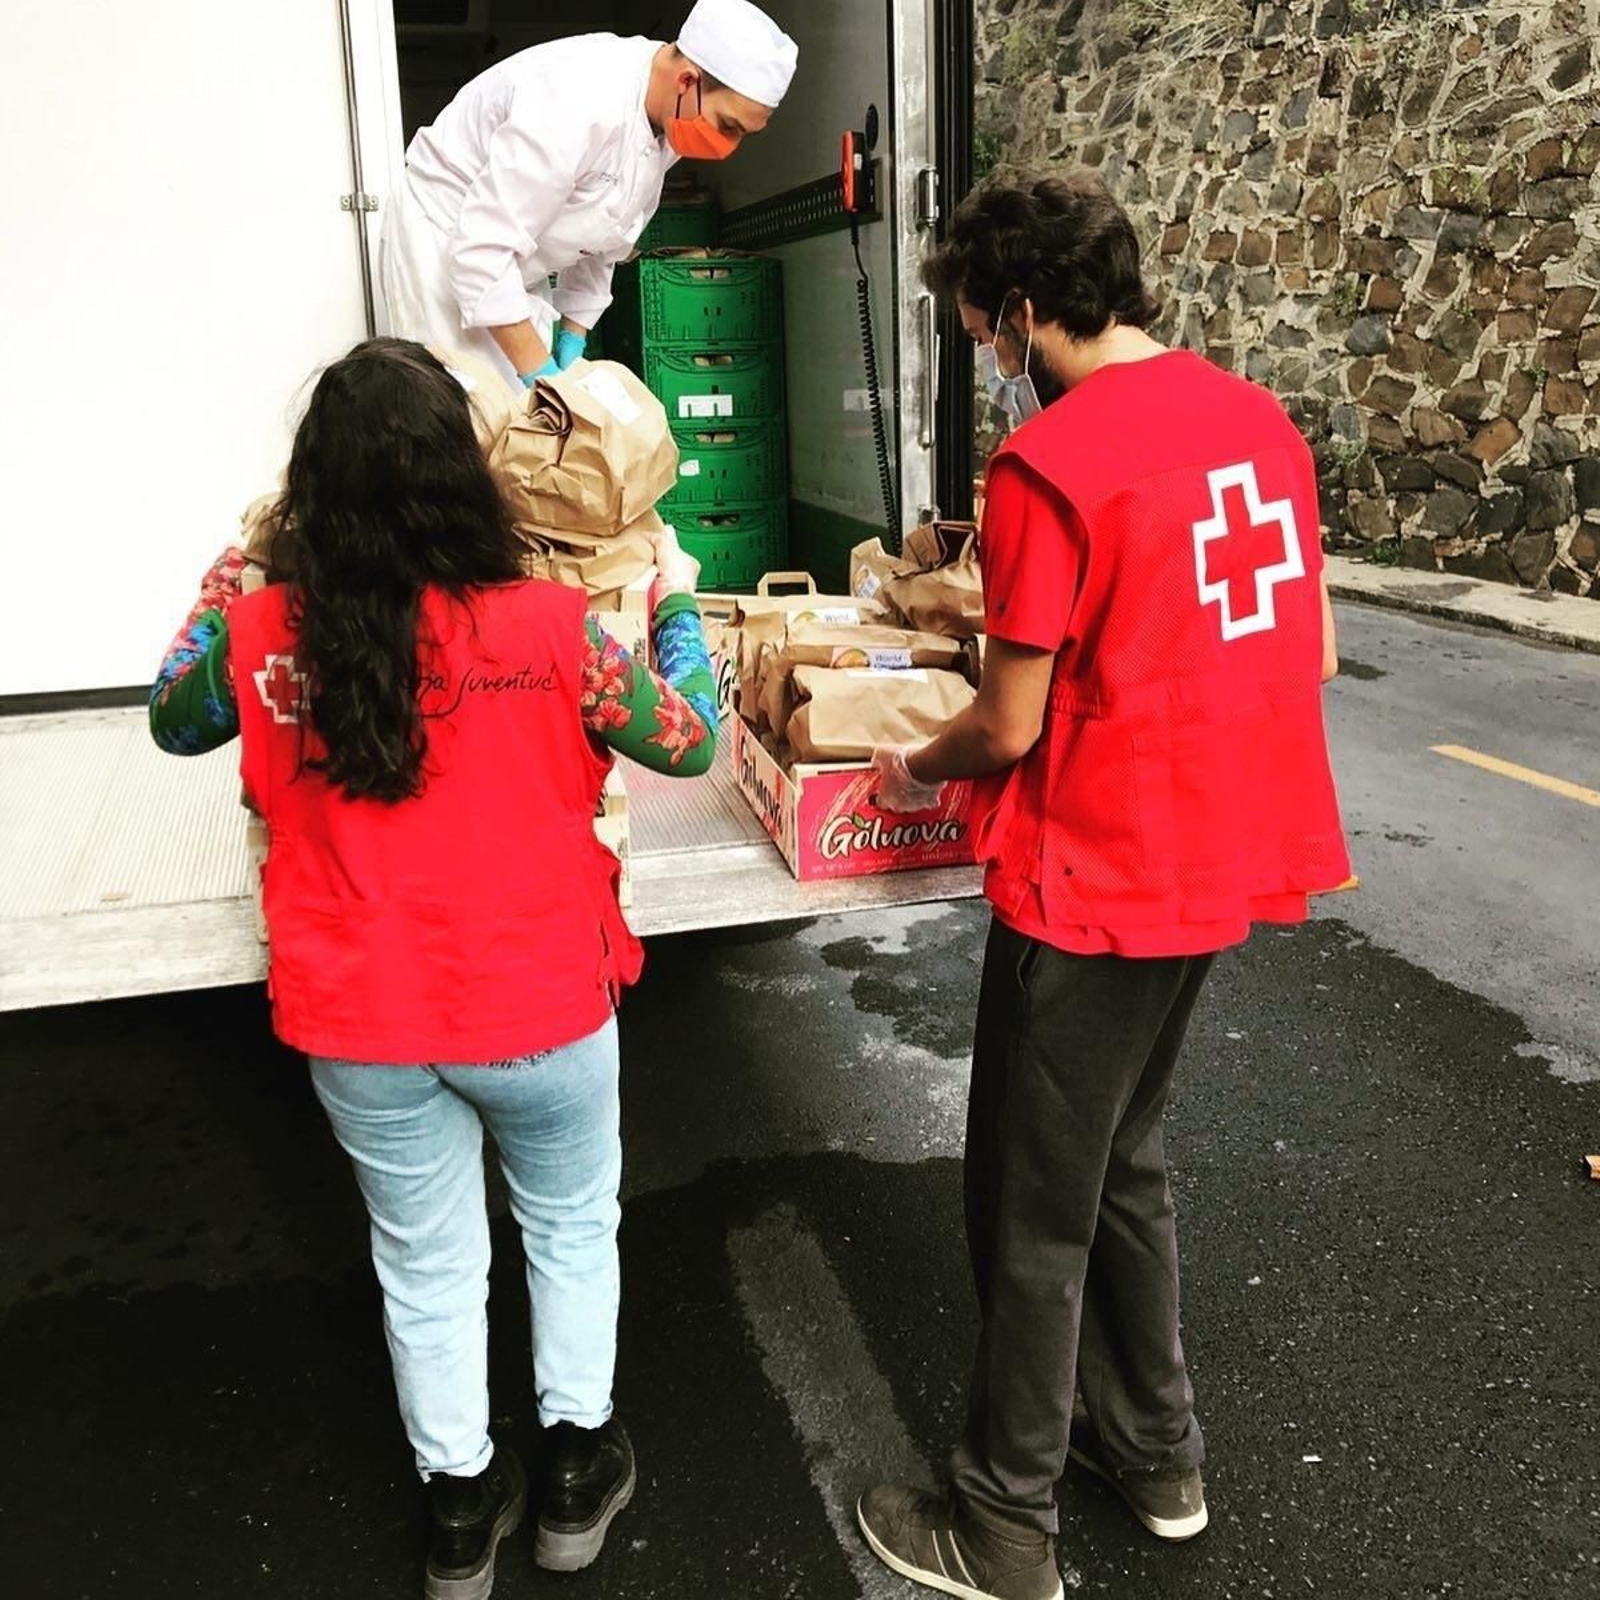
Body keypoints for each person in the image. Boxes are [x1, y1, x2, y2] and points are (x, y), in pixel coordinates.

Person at [149, 338, 718, 1600]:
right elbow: (688, 741)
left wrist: (228, 574)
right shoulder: (553, 629)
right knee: (569, 1228)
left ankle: (459, 1507)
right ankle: (575, 1467)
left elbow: (172, 714)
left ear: (312, 493)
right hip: (544, 1001)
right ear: (468, 478)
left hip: (361, 1017)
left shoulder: (262, 635)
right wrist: (674, 598)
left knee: (424, 1261)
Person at [857, 173, 1351, 1600]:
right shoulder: (1257, 420)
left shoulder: (1049, 466)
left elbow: (1006, 726)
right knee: (1121, 1158)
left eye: (983, 337)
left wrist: (909, 770)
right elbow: (1311, 652)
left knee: (1032, 1203)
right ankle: (1153, 1452)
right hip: (1219, 859)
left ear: (1022, 310)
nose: (990, 365)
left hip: (1095, 875)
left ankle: (1001, 1524)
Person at [381, 0, 798, 392]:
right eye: (728, 126)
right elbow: (481, 251)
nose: (729, 146)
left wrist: (573, 336)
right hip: (444, 243)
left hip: (516, 266)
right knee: (459, 407)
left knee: (519, 412)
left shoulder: (671, 117)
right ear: (687, 81)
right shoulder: (578, 98)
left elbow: (604, 230)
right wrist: (543, 376)